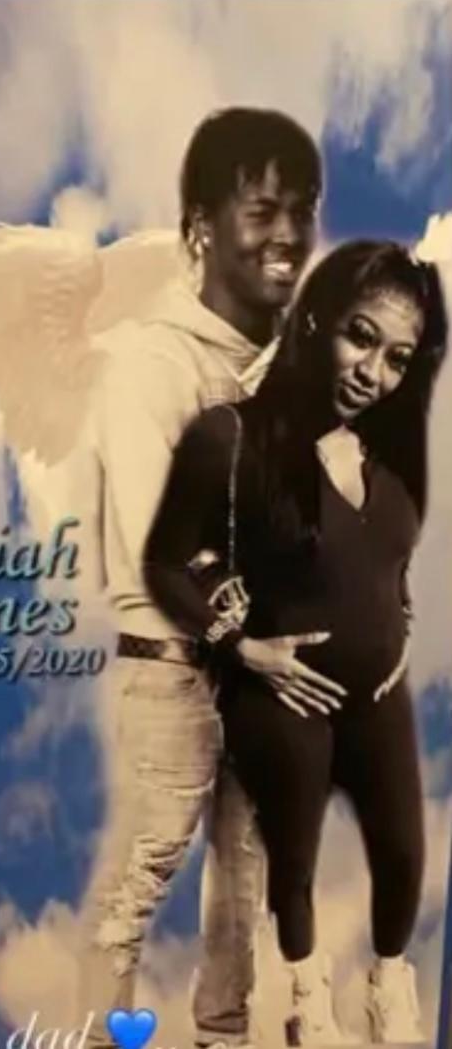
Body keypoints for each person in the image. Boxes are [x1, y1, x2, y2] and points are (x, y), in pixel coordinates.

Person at [144, 240, 448, 1045]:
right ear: (316, 318)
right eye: (359, 336)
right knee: (294, 861)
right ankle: (306, 999)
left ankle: (388, 989)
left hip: (376, 692)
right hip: (282, 694)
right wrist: (241, 647)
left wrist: (396, 610)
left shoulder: (388, 454)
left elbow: (384, 555)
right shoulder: (228, 437)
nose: (371, 372)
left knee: (403, 854)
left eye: (396, 358)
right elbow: (163, 563)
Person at [75, 107, 322, 1049]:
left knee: (243, 886)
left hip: (260, 671)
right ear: (198, 231)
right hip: (173, 666)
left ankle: (224, 1036)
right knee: (139, 878)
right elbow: (167, 546)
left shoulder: (297, 368)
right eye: (261, 210)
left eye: (302, 210)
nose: (288, 234)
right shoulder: (150, 361)